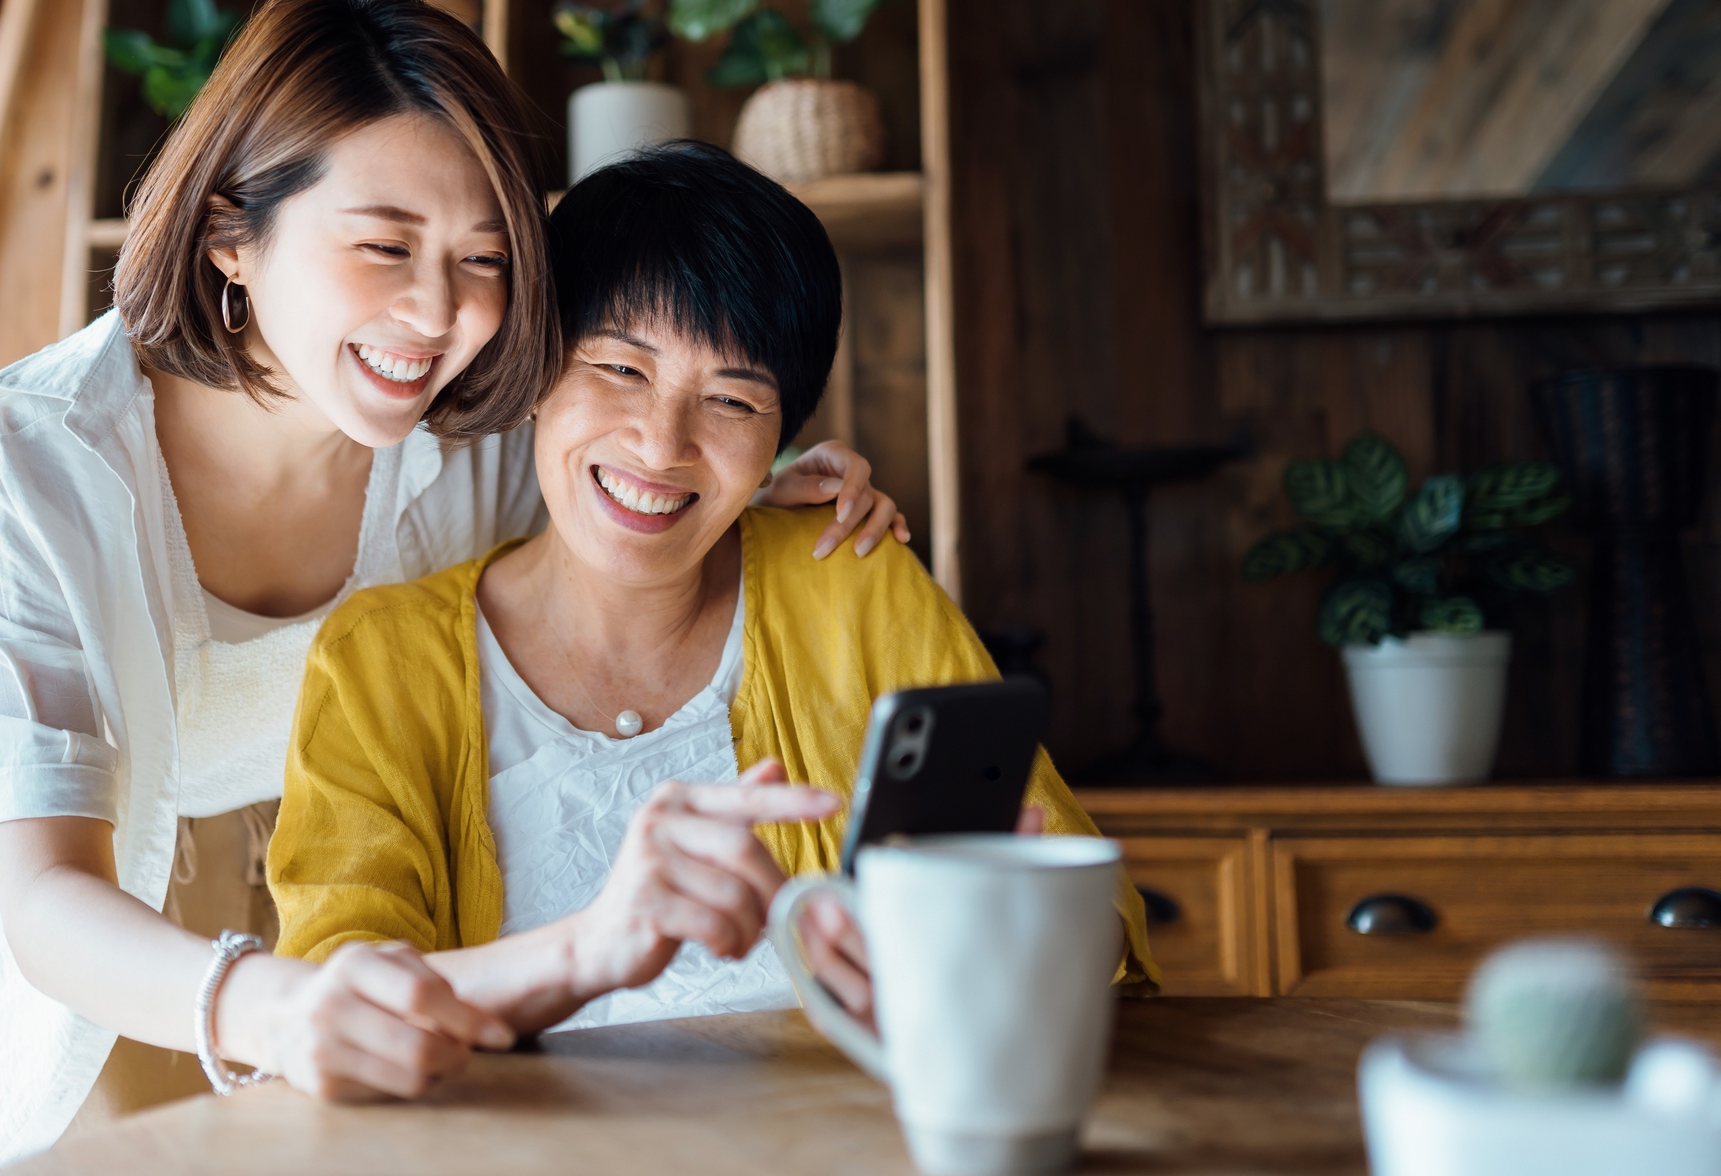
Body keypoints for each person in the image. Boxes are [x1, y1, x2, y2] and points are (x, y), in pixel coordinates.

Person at [0, 0, 905, 1174]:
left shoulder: (472, 432)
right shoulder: (47, 448)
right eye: (385, 245)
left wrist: (774, 478)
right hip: (27, 933)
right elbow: (45, 897)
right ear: (233, 231)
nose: (437, 315)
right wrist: (268, 1003)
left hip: (300, 915)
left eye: (483, 257)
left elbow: (635, 461)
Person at [270, 143, 1158, 1039]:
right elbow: (334, 999)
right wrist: (588, 944)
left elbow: (1096, 908)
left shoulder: (850, 587)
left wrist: (1015, 929)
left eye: (732, 402)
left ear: (782, 429)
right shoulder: (377, 662)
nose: (661, 446)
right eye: (620, 369)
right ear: (535, 368)